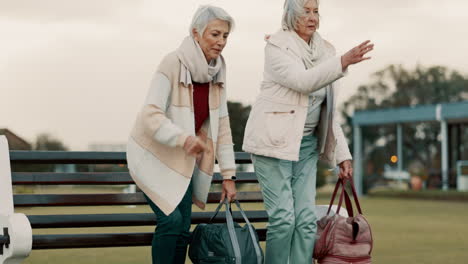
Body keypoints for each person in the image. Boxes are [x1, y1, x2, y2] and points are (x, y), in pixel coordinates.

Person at [242, 0, 374, 263]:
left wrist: (342, 155)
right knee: (283, 219)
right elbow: (302, 82)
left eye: (315, 11)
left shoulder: (326, 50)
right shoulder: (277, 46)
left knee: (304, 221)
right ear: (291, 14)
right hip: (273, 144)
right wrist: (343, 61)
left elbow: (329, 111)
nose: (312, 17)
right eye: (305, 11)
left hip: (306, 147)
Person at [126, 5, 237, 264]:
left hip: (183, 163)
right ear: (196, 33)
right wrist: (183, 138)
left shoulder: (218, 70)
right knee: (171, 220)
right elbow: (149, 114)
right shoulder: (172, 62)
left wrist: (229, 176)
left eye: (225, 36)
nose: (221, 42)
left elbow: (222, 125)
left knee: (183, 228)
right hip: (152, 158)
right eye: (215, 34)